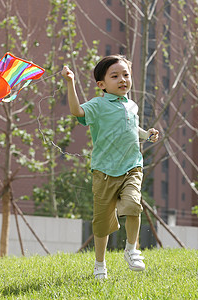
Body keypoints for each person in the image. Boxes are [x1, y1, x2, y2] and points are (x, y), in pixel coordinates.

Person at [61, 55, 159, 279]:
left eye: (126, 74)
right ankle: (99, 264)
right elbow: (77, 111)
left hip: (132, 167)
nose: (122, 79)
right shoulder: (98, 104)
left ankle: (131, 249)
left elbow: (132, 129)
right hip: (104, 171)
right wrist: (70, 82)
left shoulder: (131, 105)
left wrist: (147, 135)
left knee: (133, 206)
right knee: (102, 223)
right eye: (115, 76)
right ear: (102, 84)